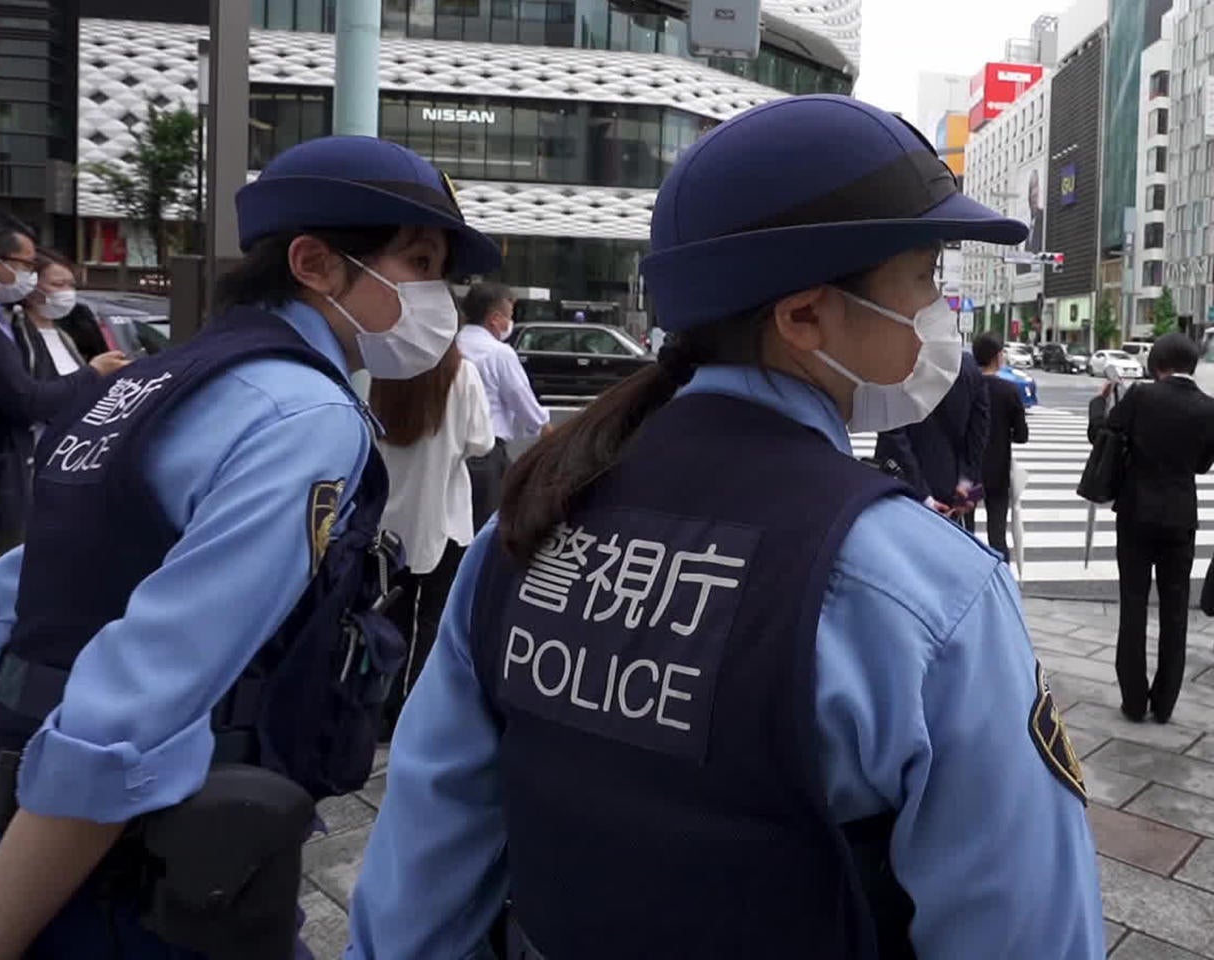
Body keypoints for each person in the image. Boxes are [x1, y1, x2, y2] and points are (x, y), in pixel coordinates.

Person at [347, 95, 1102, 959]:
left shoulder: (527, 526)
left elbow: (419, 880)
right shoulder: (925, 593)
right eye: (926, 275)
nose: (942, 310)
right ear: (805, 316)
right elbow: (1024, 932)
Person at [0, 136, 501, 958]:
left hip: (15, 827)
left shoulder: (152, 380)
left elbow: (7, 616)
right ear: (314, 263)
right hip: (144, 869)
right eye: (417, 262)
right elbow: (135, 710)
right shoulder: (304, 416)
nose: (438, 298)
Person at [0, 213, 126, 737]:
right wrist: (94, 376)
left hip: (13, 480)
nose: (32, 276)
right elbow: (25, 401)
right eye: (25, 264)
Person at [370, 343, 494, 736]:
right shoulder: (461, 375)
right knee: (432, 621)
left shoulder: (384, 375)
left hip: (386, 523)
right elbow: (482, 441)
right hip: (444, 519)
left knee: (390, 615)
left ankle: (378, 709)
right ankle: (413, 710)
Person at [1089, 332, 1214, 723]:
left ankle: (1133, 700)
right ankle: (1164, 704)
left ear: (1157, 363)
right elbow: (1201, 465)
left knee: (1134, 604)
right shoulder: (1209, 408)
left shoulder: (1141, 397)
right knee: (1176, 612)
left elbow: (1102, 435)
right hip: (1180, 517)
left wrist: (1099, 401)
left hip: (1136, 514)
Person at [456, 281, 550, 531]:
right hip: (485, 453)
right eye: (509, 316)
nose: (511, 322)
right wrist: (553, 437)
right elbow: (526, 406)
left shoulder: (451, 346)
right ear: (495, 319)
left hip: (447, 452)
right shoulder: (499, 353)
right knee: (489, 527)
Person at [875, 347, 990, 521]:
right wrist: (966, 481)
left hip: (902, 490)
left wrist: (924, 496)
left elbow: (892, 433)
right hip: (953, 492)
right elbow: (979, 432)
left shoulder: (900, 363)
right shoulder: (969, 367)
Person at [965, 332, 1029, 561]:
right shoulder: (1009, 391)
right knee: (997, 534)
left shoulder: (966, 387)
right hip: (997, 473)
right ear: (997, 357)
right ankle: (1002, 580)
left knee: (965, 532)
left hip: (968, 473)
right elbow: (1022, 435)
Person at [10, 250, 98, 380]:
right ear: (30, 286)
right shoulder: (13, 333)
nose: (67, 292)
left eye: (71, 285)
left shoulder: (65, 336)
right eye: (58, 284)